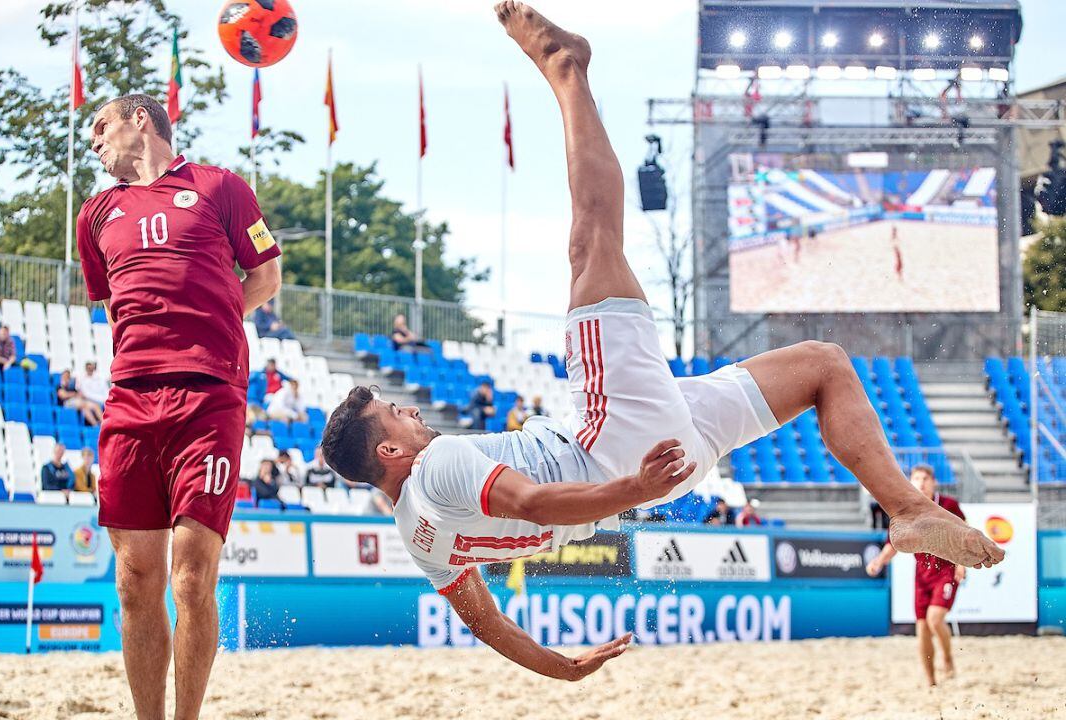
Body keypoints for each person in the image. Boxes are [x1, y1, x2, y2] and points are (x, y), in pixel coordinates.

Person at [320, 3, 1002, 682]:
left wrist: (559, 668)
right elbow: (531, 503)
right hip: (613, 446)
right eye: (396, 415)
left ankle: (908, 513)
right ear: (389, 451)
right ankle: (564, 68)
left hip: (656, 453)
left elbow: (482, 618)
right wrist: (629, 486)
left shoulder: (419, 534)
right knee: (591, 239)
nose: (411, 412)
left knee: (824, 366)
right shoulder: (436, 466)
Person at [77, 93, 281, 718]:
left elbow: (266, 278)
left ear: (141, 118)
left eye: (100, 125)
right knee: (135, 581)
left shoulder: (220, 187)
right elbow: (115, 305)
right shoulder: (95, 215)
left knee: (192, 579)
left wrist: (209, 322)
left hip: (209, 395)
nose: (93, 141)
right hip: (131, 396)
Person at [866, 465, 967, 686]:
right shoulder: (905, 510)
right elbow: (893, 543)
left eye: (925, 479)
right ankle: (931, 682)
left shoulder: (948, 505)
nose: (921, 483)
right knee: (922, 630)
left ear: (933, 483)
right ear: (910, 483)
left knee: (934, 619)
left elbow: (964, 533)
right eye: (916, 479)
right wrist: (879, 561)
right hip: (922, 574)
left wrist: (961, 563)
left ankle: (948, 657)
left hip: (946, 570)